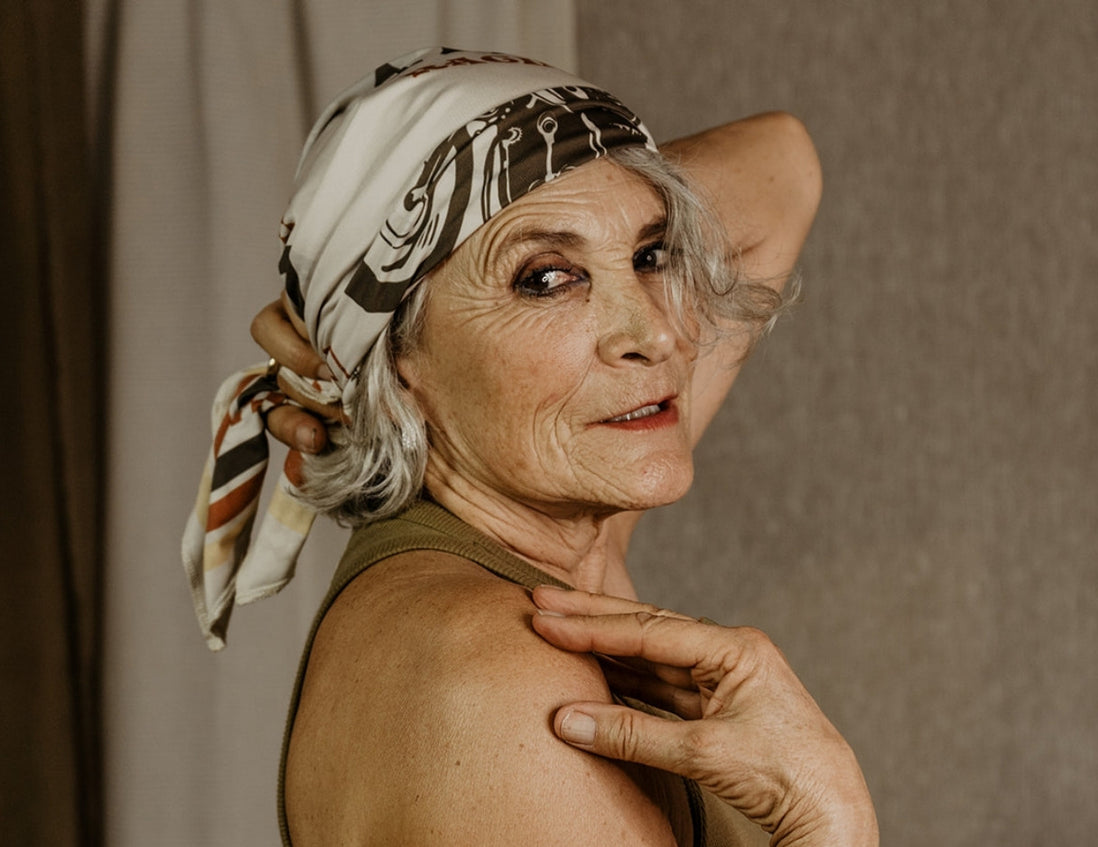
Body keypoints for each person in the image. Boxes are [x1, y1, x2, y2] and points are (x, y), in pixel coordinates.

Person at [195, 47, 875, 846]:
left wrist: (568, 177)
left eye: (650, 255)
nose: (656, 333)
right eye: (547, 279)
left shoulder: (550, 547)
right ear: (401, 357)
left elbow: (783, 162)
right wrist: (827, 821)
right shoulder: (507, 680)